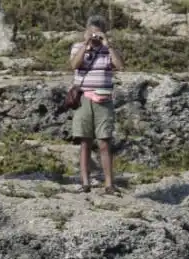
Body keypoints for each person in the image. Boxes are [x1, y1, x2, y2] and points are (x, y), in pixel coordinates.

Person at [68, 15, 124, 195]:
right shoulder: (78, 47)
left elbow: (120, 66)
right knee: (85, 141)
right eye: (91, 32)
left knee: (104, 143)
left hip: (104, 100)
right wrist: (85, 45)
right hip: (84, 99)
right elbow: (74, 64)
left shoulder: (108, 50)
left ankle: (109, 183)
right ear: (85, 31)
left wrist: (108, 45)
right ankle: (85, 182)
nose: (94, 37)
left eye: (97, 34)